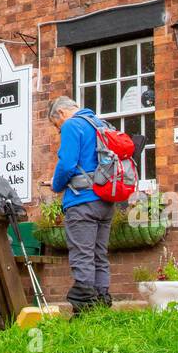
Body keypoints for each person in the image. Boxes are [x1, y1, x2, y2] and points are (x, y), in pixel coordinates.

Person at [48, 95, 114, 311]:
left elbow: (67, 164)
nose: (59, 130)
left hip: (82, 201)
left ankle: (85, 312)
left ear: (61, 114)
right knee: (99, 255)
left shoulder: (72, 125)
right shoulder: (100, 125)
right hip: (105, 201)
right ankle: (102, 306)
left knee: (82, 254)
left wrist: (55, 185)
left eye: (56, 125)